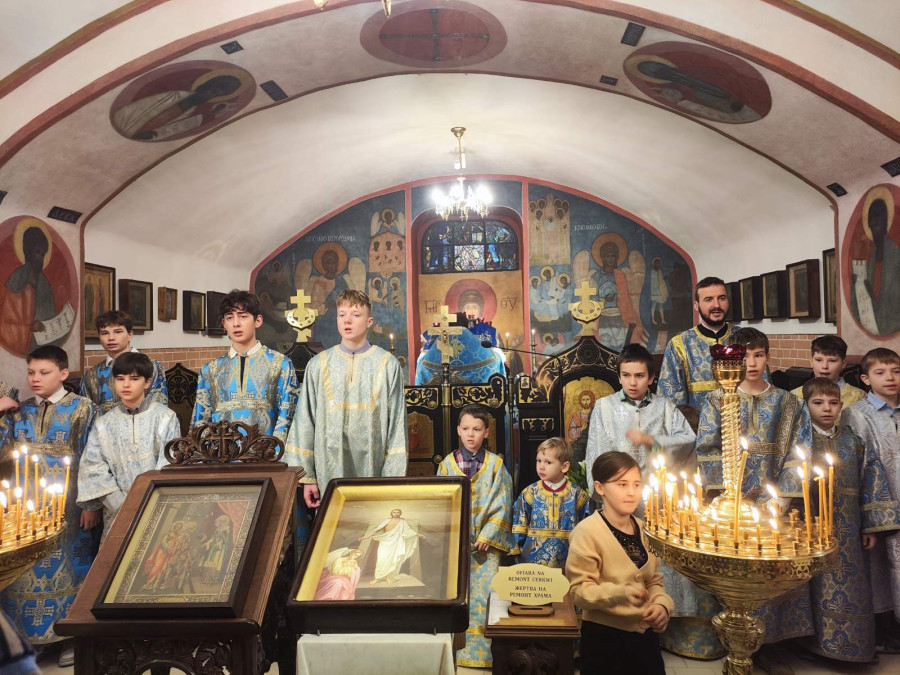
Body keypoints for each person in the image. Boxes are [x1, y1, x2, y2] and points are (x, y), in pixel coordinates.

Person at [697, 327, 813, 669]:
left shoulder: (788, 402)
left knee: (773, 572)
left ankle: (773, 645)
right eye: (745, 356)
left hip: (774, 501)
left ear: (767, 357)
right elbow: (707, 447)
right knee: (736, 576)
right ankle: (735, 645)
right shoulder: (717, 400)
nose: (751, 363)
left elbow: (800, 451)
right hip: (732, 505)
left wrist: (781, 498)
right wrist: (726, 496)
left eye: (758, 355)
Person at [0, 346, 98, 667]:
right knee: (25, 570)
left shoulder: (83, 409)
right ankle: (33, 640)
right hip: (27, 511)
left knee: (72, 570)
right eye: (31, 372)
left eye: (44, 372)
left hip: (70, 507)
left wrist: (90, 503)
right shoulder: (20, 412)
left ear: (63, 374)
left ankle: (69, 637)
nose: (35, 379)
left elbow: (92, 459)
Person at [800, 377, 899, 662]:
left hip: (850, 529)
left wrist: (871, 526)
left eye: (833, 403)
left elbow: (872, 479)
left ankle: (853, 647)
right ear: (806, 406)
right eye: (818, 403)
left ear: (842, 406)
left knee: (854, 585)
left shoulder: (853, 441)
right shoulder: (802, 442)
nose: (827, 409)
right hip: (813, 527)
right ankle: (816, 645)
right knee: (814, 586)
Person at [286, 289, 407, 508]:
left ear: (369, 321)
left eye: (355, 315)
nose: (347, 320)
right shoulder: (319, 364)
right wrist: (308, 478)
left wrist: (393, 477)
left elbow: (397, 424)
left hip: (374, 470)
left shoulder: (387, 365)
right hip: (328, 469)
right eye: (341, 315)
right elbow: (304, 420)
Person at [566, 452, 672, 675]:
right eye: (622, 484)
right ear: (600, 487)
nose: (632, 492)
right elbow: (579, 592)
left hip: (646, 641)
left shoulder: (644, 530)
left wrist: (662, 605)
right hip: (604, 642)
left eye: (637, 484)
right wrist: (619, 593)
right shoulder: (587, 533)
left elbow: (653, 581)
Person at [437, 404, 513, 668]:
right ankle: (455, 653)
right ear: (458, 430)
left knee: (487, 598)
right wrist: (455, 536)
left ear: (486, 432)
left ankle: (486, 656)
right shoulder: (447, 465)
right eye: (466, 428)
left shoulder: (496, 465)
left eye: (477, 429)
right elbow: (441, 503)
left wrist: (488, 534)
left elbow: (503, 502)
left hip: (485, 548)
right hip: (456, 548)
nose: (471, 434)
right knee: (456, 597)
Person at [77, 352, 181, 542]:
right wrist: (120, 504)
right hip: (117, 512)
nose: (126, 385)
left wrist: (148, 501)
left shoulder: (165, 418)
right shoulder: (104, 424)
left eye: (134, 379)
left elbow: (169, 462)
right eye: (120, 379)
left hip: (156, 507)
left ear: (147, 382)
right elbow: (93, 467)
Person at [843, 348, 900, 651]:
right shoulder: (857, 414)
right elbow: (860, 466)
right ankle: (885, 629)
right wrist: (869, 517)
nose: (890, 378)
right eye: (880, 373)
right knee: (880, 569)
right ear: (866, 379)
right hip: (880, 505)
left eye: (896, 371)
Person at [586, 344, 696, 498]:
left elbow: (688, 440)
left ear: (651, 378)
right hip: (618, 492)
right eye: (626, 375)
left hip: (656, 492)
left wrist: (652, 441)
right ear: (619, 377)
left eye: (639, 376)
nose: (632, 382)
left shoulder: (666, 407)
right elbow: (598, 451)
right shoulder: (603, 406)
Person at [193, 290, 298, 443]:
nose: (236, 323)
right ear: (224, 324)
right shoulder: (210, 371)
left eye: (243, 316)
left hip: (266, 453)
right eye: (230, 317)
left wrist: (275, 452)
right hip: (221, 455)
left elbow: (287, 417)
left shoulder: (280, 364)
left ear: (258, 321)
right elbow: (200, 422)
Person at [658, 276, 744, 409]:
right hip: (696, 422)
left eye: (722, 298)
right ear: (696, 306)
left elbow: (761, 390)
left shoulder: (744, 339)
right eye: (708, 299)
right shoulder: (680, 344)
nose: (717, 305)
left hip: (740, 420)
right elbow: (670, 400)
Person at [510, 437, 589, 567]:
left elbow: (586, 527)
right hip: (533, 563)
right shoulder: (530, 493)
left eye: (548, 462)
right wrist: (517, 551)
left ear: (564, 467)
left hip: (569, 562)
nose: (541, 467)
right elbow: (520, 523)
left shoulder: (577, 494)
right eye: (539, 461)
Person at [80, 310, 168, 414]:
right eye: (105, 333)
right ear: (99, 337)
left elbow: (159, 407)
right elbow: (87, 415)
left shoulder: (152, 366)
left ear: (130, 334)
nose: (111, 338)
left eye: (118, 332)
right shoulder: (90, 376)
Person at [790, 335, 866, 412]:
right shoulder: (796, 395)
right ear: (811, 361)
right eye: (818, 360)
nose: (824, 366)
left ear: (843, 364)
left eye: (832, 361)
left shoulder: (858, 396)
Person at [361, 508, 425, 585]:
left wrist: (418, 534)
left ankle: (388, 577)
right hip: (385, 542)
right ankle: (377, 578)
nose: (396, 514)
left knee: (392, 560)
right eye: (394, 512)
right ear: (391, 513)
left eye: (398, 512)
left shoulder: (403, 522)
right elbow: (377, 530)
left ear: (400, 513)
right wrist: (366, 537)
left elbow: (408, 531)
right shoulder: (387, 521)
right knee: (381, 560)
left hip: (396, 543)